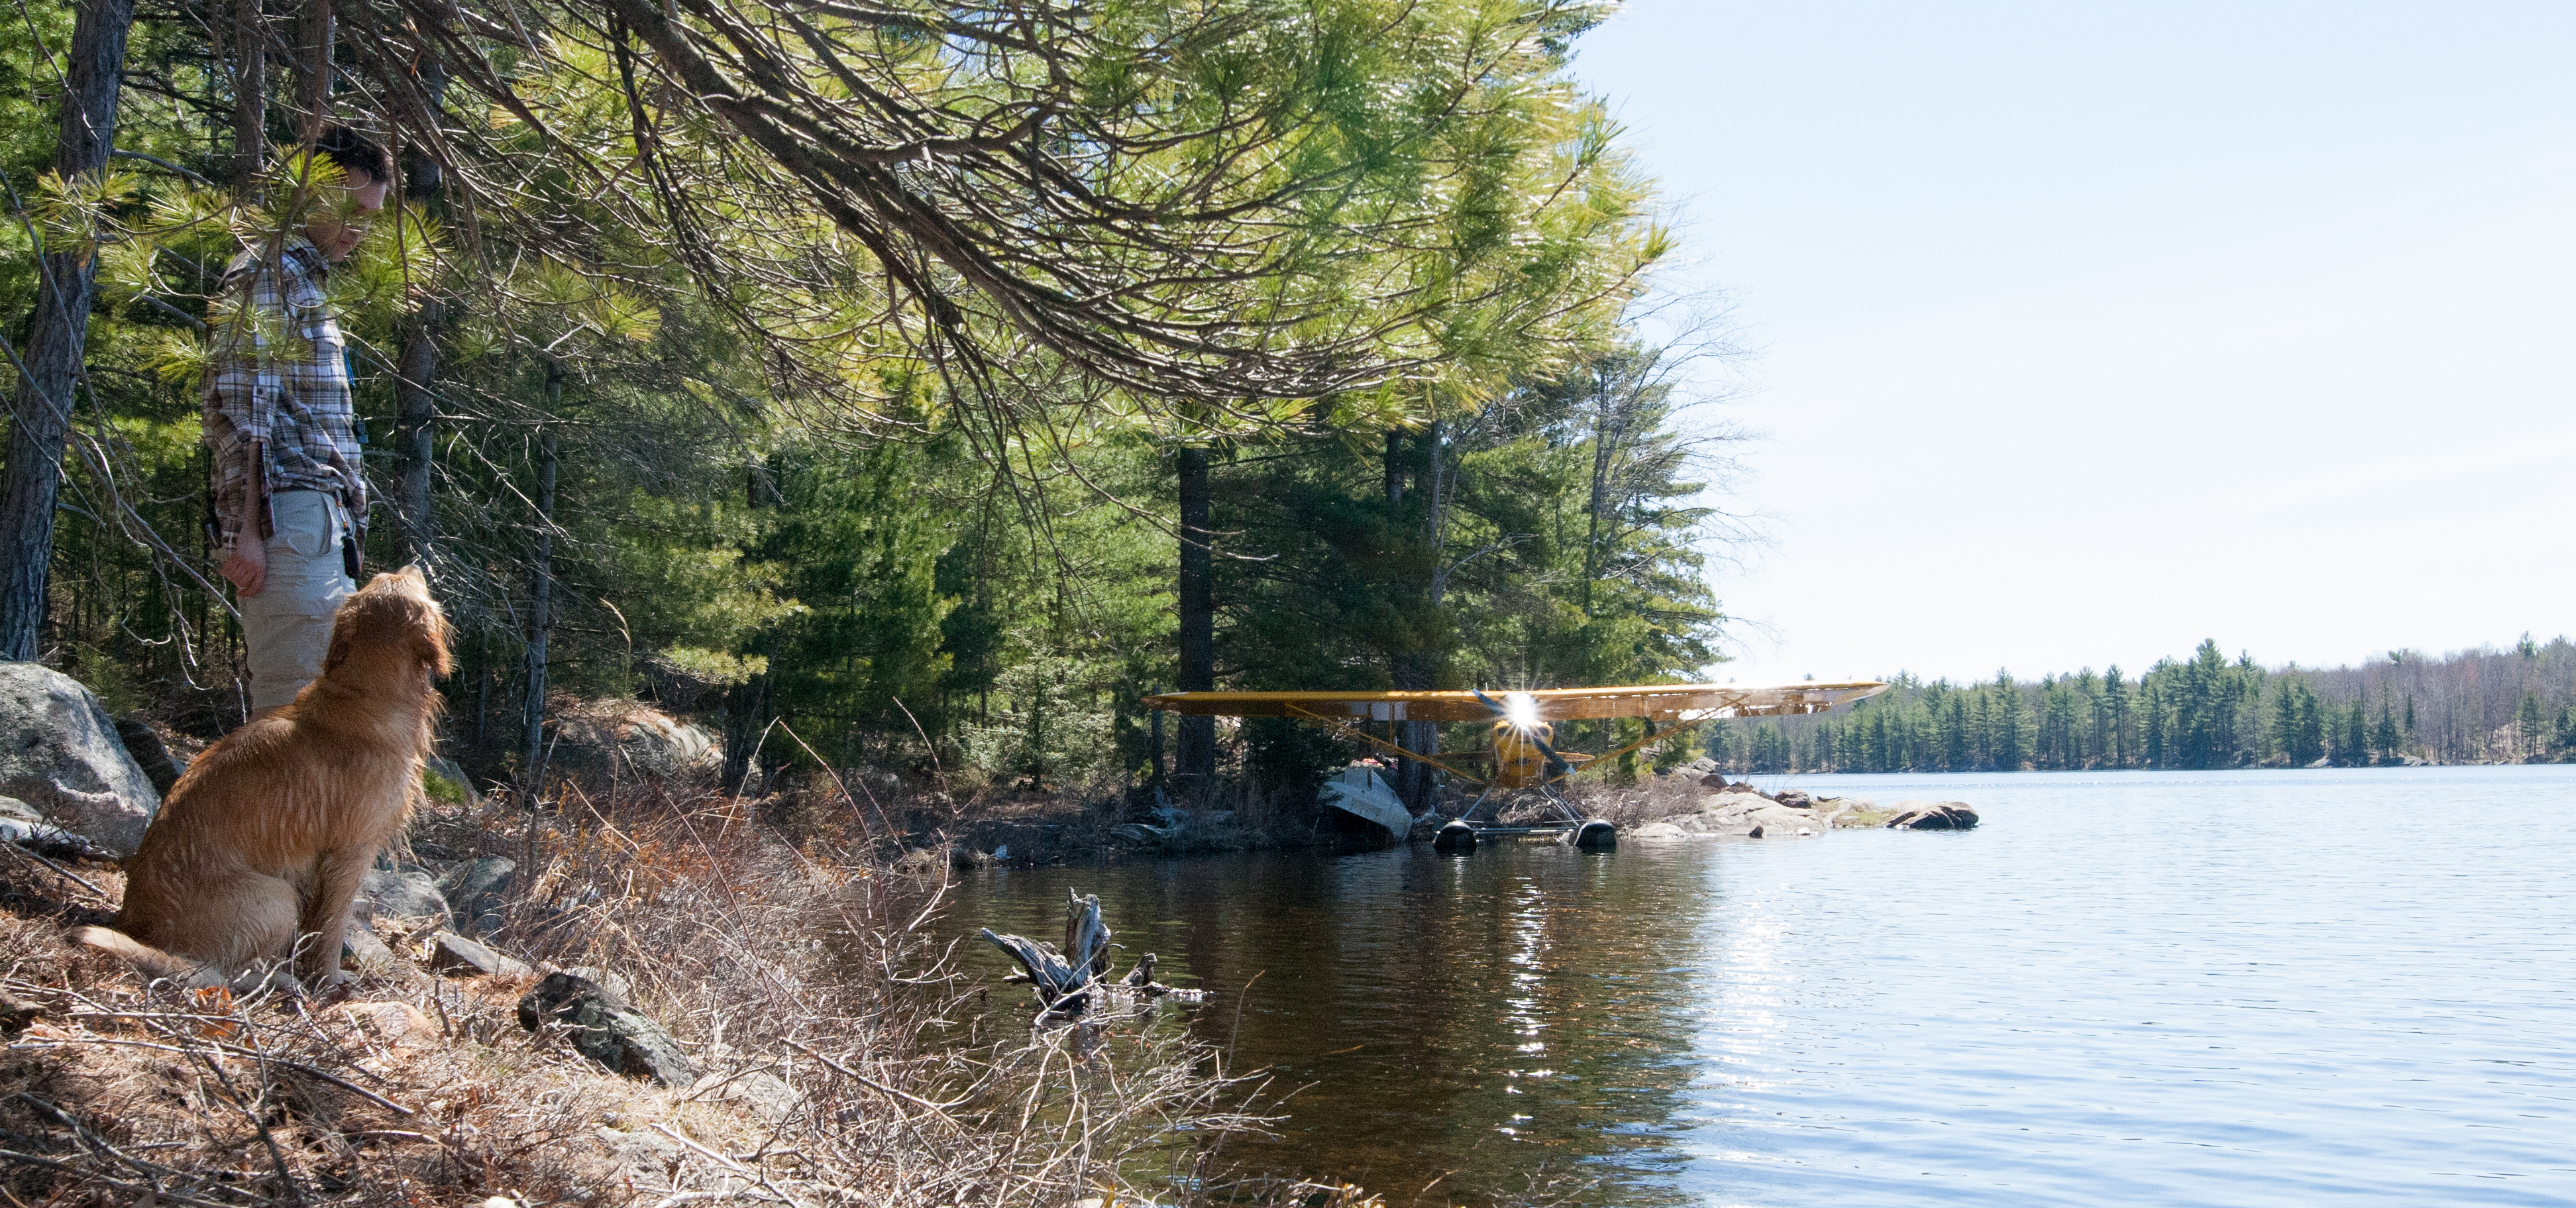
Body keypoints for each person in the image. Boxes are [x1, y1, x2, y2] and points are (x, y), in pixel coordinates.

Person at [203, 125, 390, 720]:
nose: (359, 229)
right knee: (290, 721)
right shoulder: (268, 272)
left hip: (318, 523)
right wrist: (247, 534)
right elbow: (246, 410)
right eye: (350, 208)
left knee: (320, 717)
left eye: (372, 215)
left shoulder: (304, 279)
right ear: (310, 190)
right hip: (285, 520)